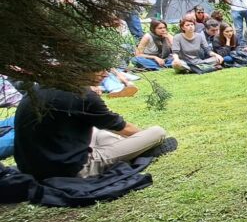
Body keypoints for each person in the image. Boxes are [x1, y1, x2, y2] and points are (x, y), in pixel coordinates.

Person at [14, 76, 170, 179]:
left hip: (31, 168)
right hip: (73, 169)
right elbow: (121, 127)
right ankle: (140, 149)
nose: (105, 74)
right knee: (157, 132)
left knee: (99, 132)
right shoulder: (83, 95)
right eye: (100, 69)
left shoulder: (36, 90)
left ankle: (130, 149)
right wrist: (143, 139)